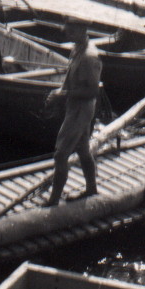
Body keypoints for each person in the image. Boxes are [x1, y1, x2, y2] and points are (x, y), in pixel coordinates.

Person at [45, 16, 102, 206]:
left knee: (61, 154)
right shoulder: (77, 48)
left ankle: (53, 200)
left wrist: (62, 95)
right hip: (75, 106)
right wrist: (60, 93)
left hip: (81, 109)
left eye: (70, 30)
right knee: (84, 149)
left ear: (81, 30)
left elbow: (93, 90)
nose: (66, 33)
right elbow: (70, 79)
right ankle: (91, 188)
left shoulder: (89, 56)